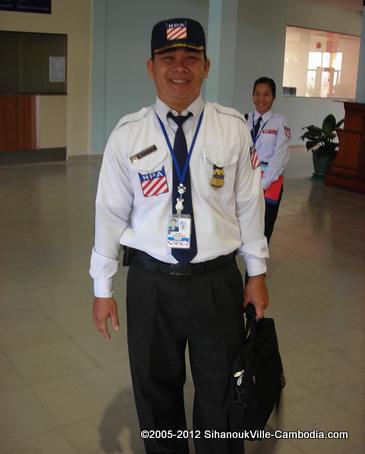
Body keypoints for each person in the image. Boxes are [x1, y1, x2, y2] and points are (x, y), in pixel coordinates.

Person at [90, 18, 269, 454]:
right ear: (151, 67)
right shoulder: (126, 134)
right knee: (155, 392)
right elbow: (109, 213)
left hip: (217, 283)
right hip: (152, 284)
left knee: (221, 393)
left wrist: (257, 273)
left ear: (206, 66)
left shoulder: (232, 127)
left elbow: (249, 204)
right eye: (168, 58)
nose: (179, 68)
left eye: (190, 58)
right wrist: (102, 286)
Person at [245, 77, 290, 243]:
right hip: (246, 181)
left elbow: (280, 157)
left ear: (273, 97)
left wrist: (262, 183)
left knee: (263, 230)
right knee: (240, 226)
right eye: (257, 94)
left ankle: (255, 269)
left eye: (266, 94)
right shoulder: (244, 120)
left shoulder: (280, 123)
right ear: (252, 96)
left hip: (269, 183)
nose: (261, 99)